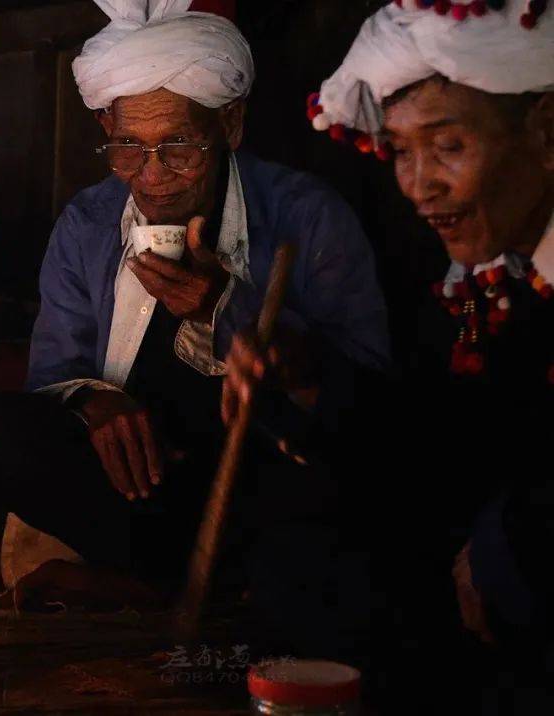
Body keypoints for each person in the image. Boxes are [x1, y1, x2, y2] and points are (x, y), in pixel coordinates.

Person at [0, 0, 389, 655]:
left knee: (330, 500)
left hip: (259, 484)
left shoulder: (308, 218)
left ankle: (169, 587)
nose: (153, 177)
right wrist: (95, 402)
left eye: (179, 146)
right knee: (2, 433)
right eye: (128, 148)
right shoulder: (88, 226)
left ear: (230, 123)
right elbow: (50, 373)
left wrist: (225, 311)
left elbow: (367, 402)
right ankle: (172, 585)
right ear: (106, 128)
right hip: (144, 492)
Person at [227, 1, 553, 711]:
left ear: (548, 135)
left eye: (448, 146)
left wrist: (506, 545)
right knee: (299, 564)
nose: (419, 184)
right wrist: (307, 373)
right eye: (403, 151)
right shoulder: (481, 285)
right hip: (484, 570)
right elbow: (439, 436)